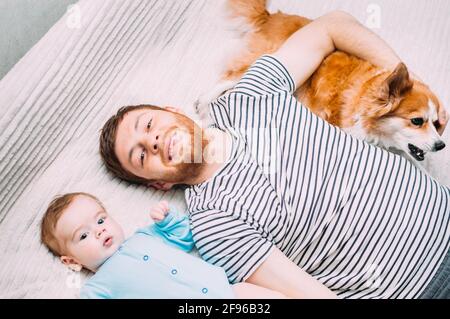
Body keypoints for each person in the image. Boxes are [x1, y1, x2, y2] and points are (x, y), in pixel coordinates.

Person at [99, 11, 449, 298]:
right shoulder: (213, 222)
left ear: (170, 109)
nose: (154, 141)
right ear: (158, 185)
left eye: (148, 125)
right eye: (141, 156)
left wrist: (413, 86)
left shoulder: (248, 98)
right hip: (414, 290)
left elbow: (331, 27)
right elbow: (311, 296)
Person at [40, 192, 286, 298]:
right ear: (71, 261)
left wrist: (169, 220)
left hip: (229, 291)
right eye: (83, 236)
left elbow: (185, 235)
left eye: (101, 219)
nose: (99, 230)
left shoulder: (145, 236)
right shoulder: (97, 287)